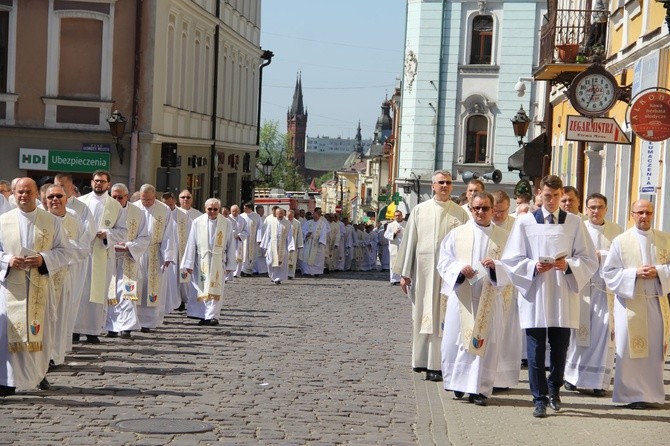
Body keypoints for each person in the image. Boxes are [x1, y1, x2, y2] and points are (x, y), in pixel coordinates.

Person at [501, 174, 597, 418]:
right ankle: (539, 398)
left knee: (560, 348)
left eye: (556, 196)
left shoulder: (574, 223)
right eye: (547, 196)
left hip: (563, 293)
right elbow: (511, 259)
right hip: (536, 292)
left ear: (561, 194)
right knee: (534, 350)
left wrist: (567, 265)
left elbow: (588, 259)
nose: (552, 201)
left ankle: (555, 388)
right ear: (539, 195)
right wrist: (533, 266)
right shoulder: (525, 223)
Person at [394, 170, 469, 382]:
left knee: (444, 318)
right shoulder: (420, 210)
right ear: (433, 186)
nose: (444, 186)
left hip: (449, 276)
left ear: (452, 187)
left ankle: (437, 364)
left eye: (448, 183)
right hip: (424, 272)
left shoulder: (460, 214)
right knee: (422, 314)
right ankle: (420, 360)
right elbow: (410, 243)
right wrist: (405, 273)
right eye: (441, 183)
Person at [437, 192, 512, 405]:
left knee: (484, 344)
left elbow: (512, 266)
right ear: (470, 209)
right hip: (462, 296)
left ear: (492, 210)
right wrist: (461, 269)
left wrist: (495, 267)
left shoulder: (504, 237)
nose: (480, 212)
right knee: (458, 341)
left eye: (485, 208)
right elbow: (444, 262)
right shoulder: (457, 234)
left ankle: (480, 388)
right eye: (476, 208)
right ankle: (458, 383)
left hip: (489, 298)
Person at [0, 178, 70, 396]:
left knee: (39, 332)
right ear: (13, 193)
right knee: (8, 335)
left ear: (37, 193)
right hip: (12, 288)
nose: (23, 195)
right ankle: (7, 380)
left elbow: (64, 251)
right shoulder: (3, 221)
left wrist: (42, 259)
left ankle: (39, 374)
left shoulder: (51, 221)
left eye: (28, 191)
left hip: (40, 286)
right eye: (19, 191)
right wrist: (7, 260)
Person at [602, 199, 670, 409]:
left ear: (652, 214)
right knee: (629, 350)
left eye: (648, 212)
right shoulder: (621, 241)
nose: (644, 216)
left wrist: (659, 272)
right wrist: (635, 273)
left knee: (654, 351)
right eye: (640, 212)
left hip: (656, 302)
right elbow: (609, 272)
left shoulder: (665, 239)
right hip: (630, 304)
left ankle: (651, 395)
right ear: (632, 214)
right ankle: (630, 395)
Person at [564, 193, 622, 396]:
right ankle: (572, 377)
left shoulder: (616, 232)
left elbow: (621, 260)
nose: (596, 211)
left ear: (606, 209)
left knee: (604, 336)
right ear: (586, 209)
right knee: (578, 336)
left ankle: (599, 382)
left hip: (606, 292)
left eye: (600, 207)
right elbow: (567, 257)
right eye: (592, 207)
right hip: (581, 288)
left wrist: (602, 256)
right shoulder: (577, 229)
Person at [74, 170, 127, 344]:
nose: (99, 184)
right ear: (91, 182)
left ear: (108, 184)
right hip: (81, 253)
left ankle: (93, 330)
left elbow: (123, 231)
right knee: (79, 291)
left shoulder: (115, 205)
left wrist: (107, 234)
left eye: (102, 181)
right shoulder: (81, 202)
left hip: (102, 254)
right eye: (96, 181)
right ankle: (74, 329)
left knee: (97, 292)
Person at [43, 184, 89, 369]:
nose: (55, 200)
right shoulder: (39, 218)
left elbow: (84, 247)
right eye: (51, 196)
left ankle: (54, 355)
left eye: (59, 196)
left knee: (60, 316)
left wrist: (63, 251)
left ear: (66, 198)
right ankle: (40, 356)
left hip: (63, 274)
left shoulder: (74, 218)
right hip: (41, 275)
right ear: (45, 199)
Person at [181, 198, 236, 326]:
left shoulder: (226, 223)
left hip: (218, 260)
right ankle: (202, 315)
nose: (212, 211)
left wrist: (230, 263)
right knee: (201, 288)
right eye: (209, 209)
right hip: (201, 260)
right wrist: (188, 263)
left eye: (215, 209)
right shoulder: (197, 222)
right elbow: (191, 243)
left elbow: (230, 244)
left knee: (216, 288)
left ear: (219, 209)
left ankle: (213, 316)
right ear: (205, 209)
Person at [105, 184, 150, 339]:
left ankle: (127, 326)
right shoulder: (105, 210)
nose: (117, 200)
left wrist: (129, 247)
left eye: (120, 197)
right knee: (110, 292)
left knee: (126, 292)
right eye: (114, 197)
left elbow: (145, 237)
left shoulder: (137, 213)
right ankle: (111, 326)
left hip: (128, 258)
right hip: (109, 256)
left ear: (127, 196)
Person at [134, 184, 177, 333]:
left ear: (155, 197)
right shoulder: (133, 208)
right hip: (136, 253)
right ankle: (132, 320)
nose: (145, 202)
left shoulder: (163, 209)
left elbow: (169, 234)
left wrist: (168, 255)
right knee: (136, 287)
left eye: (149, 199)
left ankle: (148, 322)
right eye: (143, 199)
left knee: (151, 288)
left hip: (154, 252)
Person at [490, 190, 522, 389]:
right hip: (489, 287)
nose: (498, 215)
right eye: (495, 211)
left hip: (511, 287)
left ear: (508, 208)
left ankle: (504, 378)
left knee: (508, 333)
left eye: (502, 211)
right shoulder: (486, 226)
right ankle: (488, 375)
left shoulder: (516, 227)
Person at [162, 191, 190, 313]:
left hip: (181, 250)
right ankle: (172, 302)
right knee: (169, 279)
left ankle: (181, 300)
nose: (167, 207)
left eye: (169, 204)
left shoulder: (183, 215)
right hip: (166, 250)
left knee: (180, 279)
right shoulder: (161, 214)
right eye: (165, 205)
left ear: (174, 200)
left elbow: (190, 232)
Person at [260, 208, 295, 284]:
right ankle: (272, 276)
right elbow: (267, 234)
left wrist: (291, 246)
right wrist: (264, 245)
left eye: (282, 213)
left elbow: (290, 236)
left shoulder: (288, 223)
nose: (280, 215)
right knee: (270, 262)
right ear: (276, 214)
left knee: (281, 263)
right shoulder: (271, 222)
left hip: (283, 245)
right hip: (272, 245)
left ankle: (278, 278)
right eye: (279, 213)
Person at [301, 208, 329, 276]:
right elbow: (303, 230)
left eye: (316, 216)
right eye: (314, 215)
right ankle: (307, 271)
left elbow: (324, 233)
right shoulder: (308, 222)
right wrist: (307, 233)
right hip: (309, 243)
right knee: (307, 257)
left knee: (317, 259)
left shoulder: (323, 224)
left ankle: (317, 272)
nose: (314, 217)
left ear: (319, 216)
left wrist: (321, 241)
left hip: (318, 243)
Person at [384, 210, 406, 285]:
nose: (397, 217)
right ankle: (394, 279)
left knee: (404, 262)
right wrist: (394, 234)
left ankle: (403, 278)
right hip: (394, 246)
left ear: (402, 215)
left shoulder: (406, 224)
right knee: (394, 262)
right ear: (394, 216)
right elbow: (386, 235)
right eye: (396, 215)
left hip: (404, 246)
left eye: (399, 215)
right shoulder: (390, 225)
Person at [229, 204, 249, 280]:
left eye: (236, 211)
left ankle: (236, 273)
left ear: (239, 211)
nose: (235, 212)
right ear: (231, 211)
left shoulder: (242, 219)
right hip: (230, 240)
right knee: (231, 256)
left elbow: (246, 230)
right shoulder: (228, 219)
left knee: (238, 257)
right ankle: (230, 272)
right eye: (233, 211)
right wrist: (233, 234)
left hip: (239, 241)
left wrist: (240, 235)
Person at [241, 203, 261, 276]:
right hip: (244, 238)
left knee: (252, 254)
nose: (244, 209)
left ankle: (249, 270)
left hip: (253, 238)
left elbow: (259, 228)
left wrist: (259, 238)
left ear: (250, 208)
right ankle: (243, 269)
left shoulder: (256, 216)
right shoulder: (242, 216)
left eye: (245, 208)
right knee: (244, 253)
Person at [286, 210, 304, 279]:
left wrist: (300, 245)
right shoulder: (284, 221)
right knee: (285, 260)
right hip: (284, 245)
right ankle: (284, 273)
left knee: (292, 260)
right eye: (288, 216)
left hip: (293, 245)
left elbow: (299, 234)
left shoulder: (297, 223)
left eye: (291, 217)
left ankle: (290, 274)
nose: (290, 218)